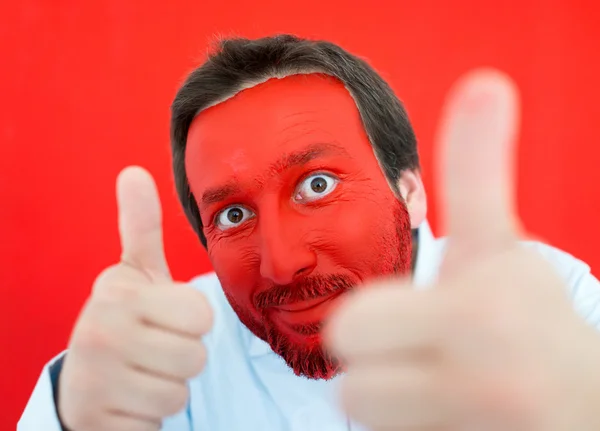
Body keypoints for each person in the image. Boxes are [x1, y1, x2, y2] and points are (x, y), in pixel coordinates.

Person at [18, 35, 600, 431]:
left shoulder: (552, 305)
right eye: (234, 216)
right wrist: (68, 415)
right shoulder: (154, 359)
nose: (281, 262)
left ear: (412, 193)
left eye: (317, 185)